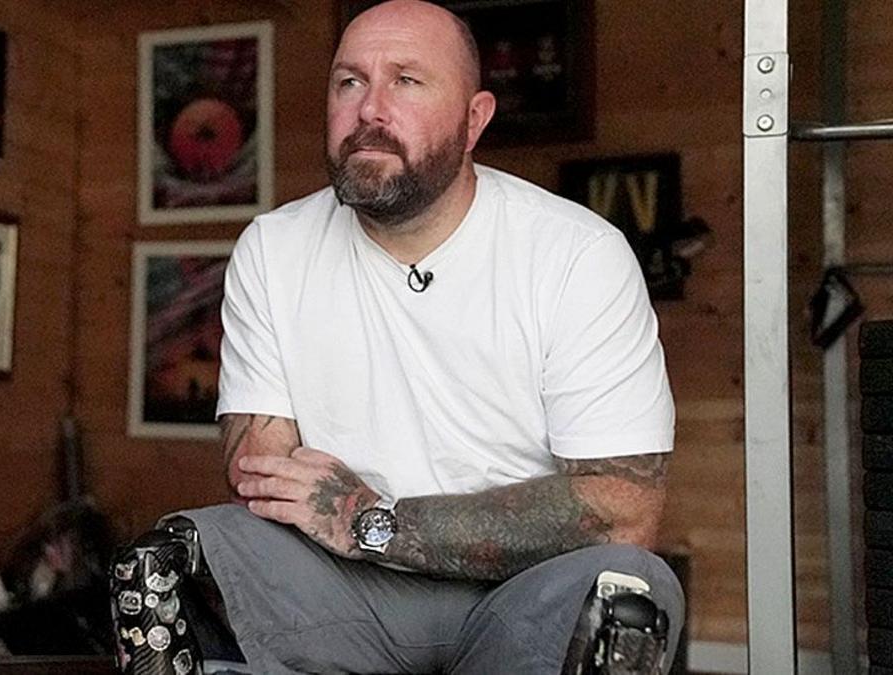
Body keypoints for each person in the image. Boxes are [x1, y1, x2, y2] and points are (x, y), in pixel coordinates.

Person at [110, 2, 683, 673]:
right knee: (159, 565)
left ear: (475, 120)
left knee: (629, 591)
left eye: (407, 81)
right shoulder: (274, 247)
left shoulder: (577, 254)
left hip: (525, 590)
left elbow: (622, 509)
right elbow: (262, 471)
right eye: (349, 82)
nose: (370, 109)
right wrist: (350, 532)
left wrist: (370, 520)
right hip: (341, 588)